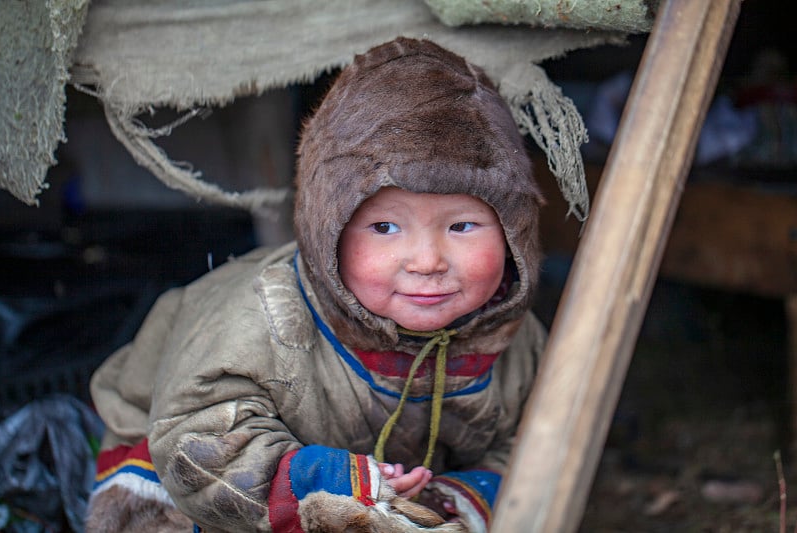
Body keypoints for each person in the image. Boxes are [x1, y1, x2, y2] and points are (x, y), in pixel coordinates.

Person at [85, 36, 547, 533]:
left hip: (381, 479)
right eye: (385, 228)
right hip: (178, 455)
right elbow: (197, 441)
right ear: (328, 231)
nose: (428, 261)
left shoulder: (517, 341)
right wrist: (330, 483)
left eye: (461, 226)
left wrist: (450, 497)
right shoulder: (263, 320)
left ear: (513, 231)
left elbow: (528, 445)